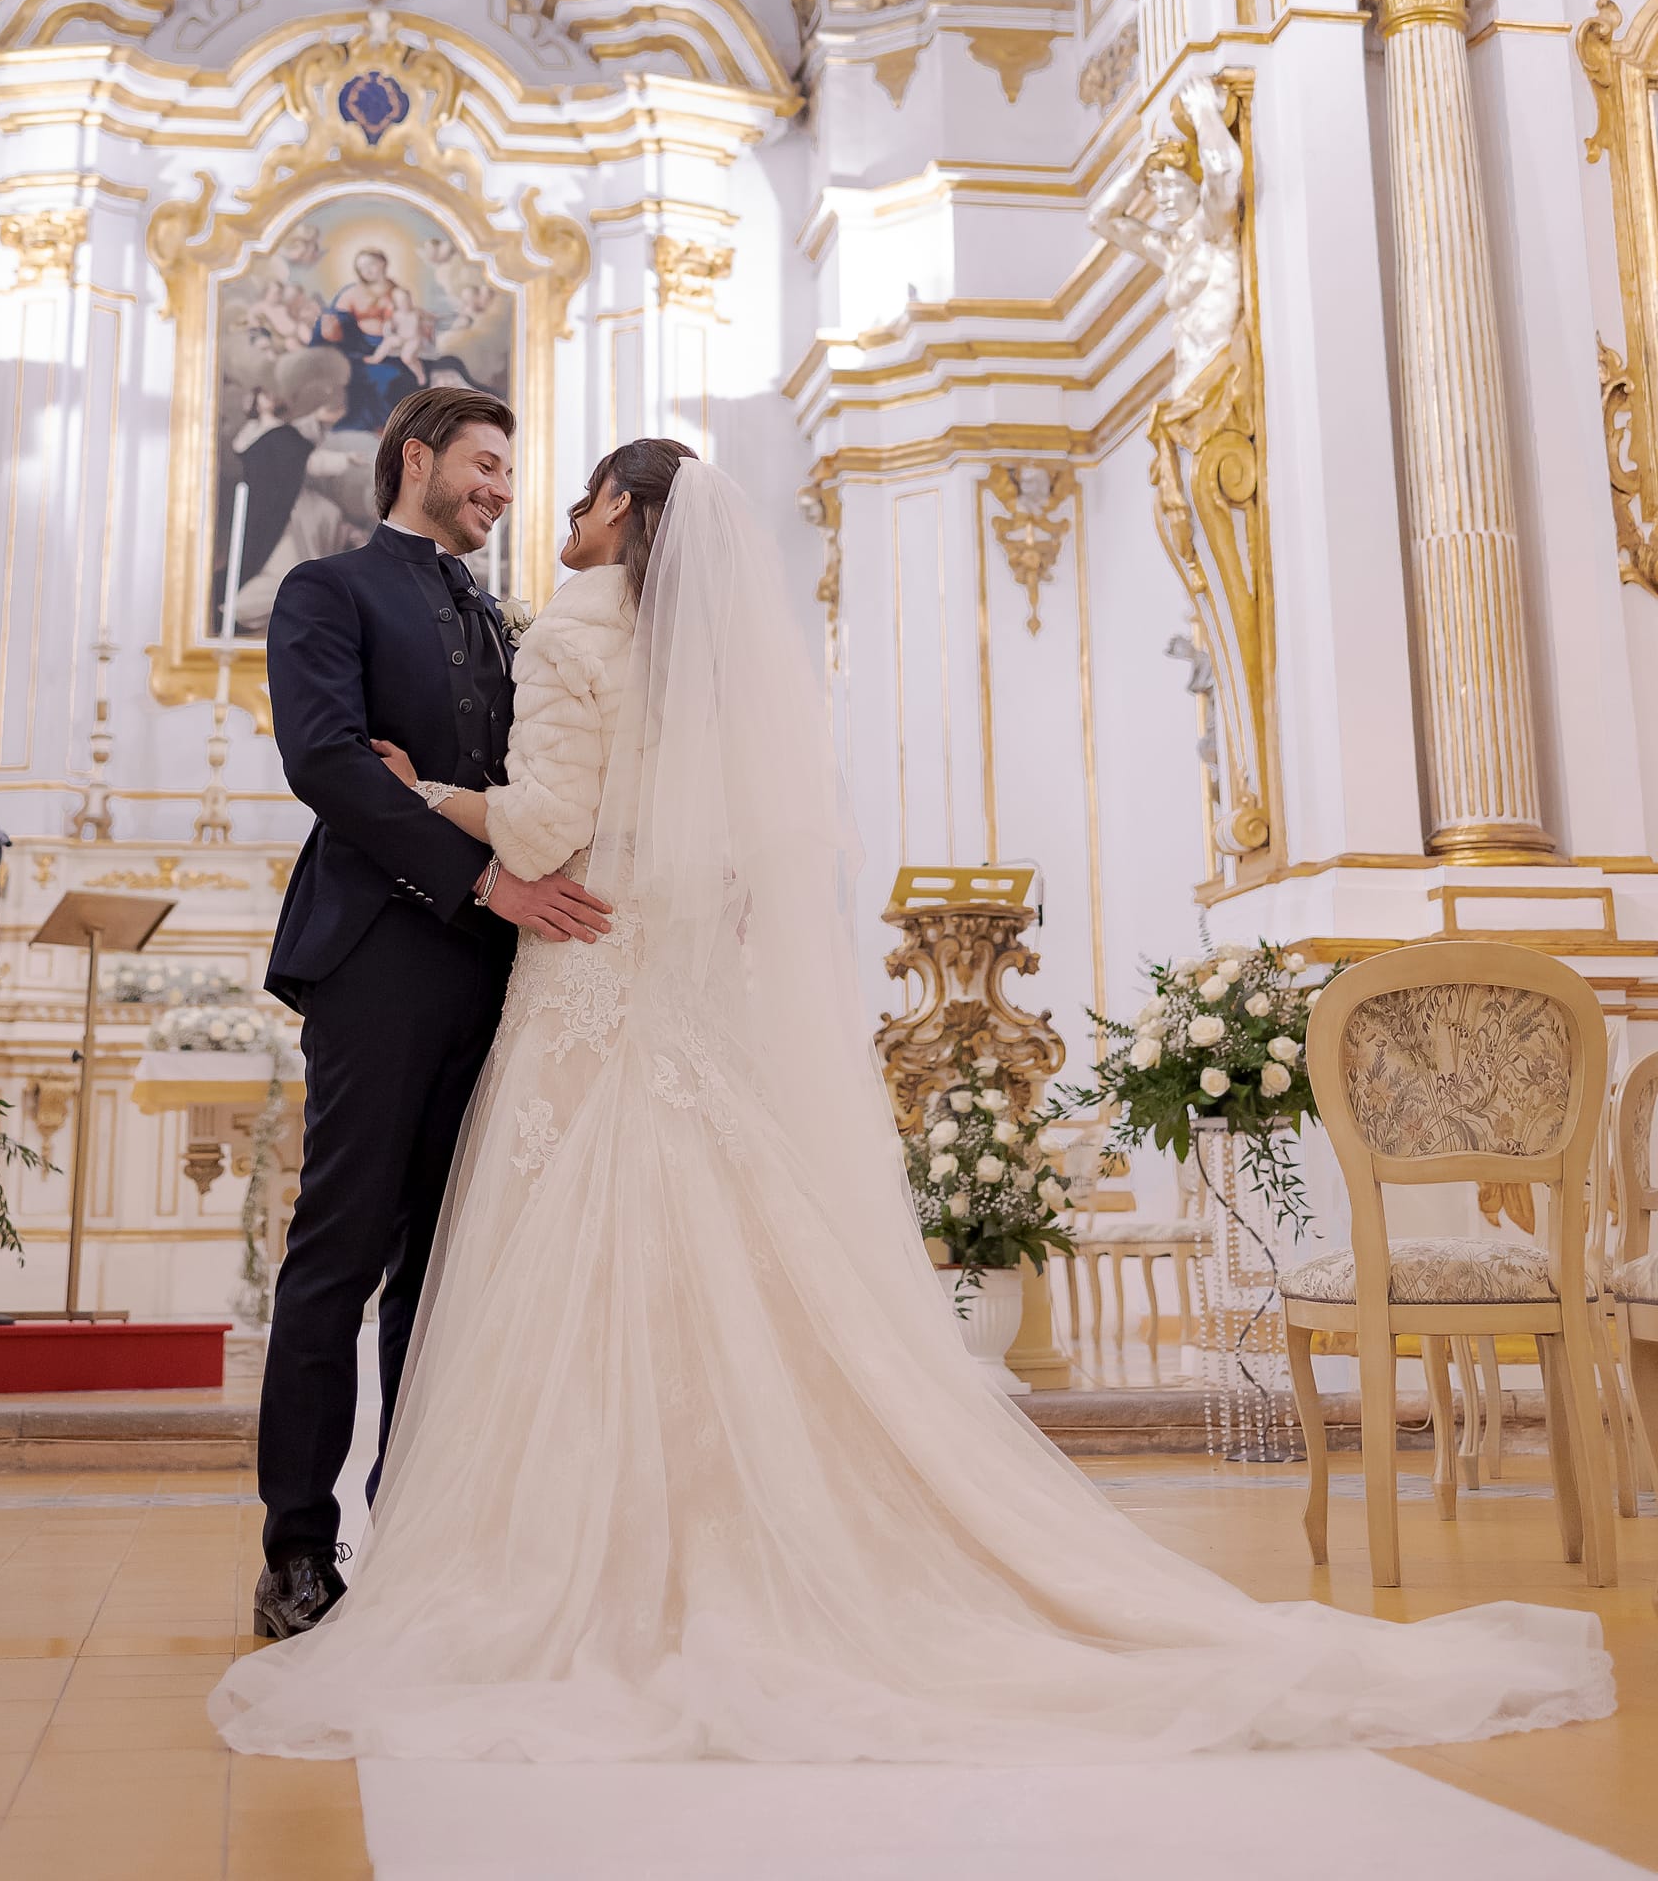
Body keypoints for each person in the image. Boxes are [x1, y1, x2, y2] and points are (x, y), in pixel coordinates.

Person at [214, 451, 1610, 1763]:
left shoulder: (574, 636)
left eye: (575, 497)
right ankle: (744, 1537)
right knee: (716, 1259)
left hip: (585, 980)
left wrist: (441, 793)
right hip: (672, 982)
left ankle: (535, 1556)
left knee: (565, 1260)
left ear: (624, 522)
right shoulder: (700, 673)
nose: (551, 517)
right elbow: (738, 857)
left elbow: (538, 830)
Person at [248, 387, 609, 1644]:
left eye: (512, 471)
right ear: (417, 459)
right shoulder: (326, 593)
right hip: (377, 954)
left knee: (448, 1265)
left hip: (498, 968)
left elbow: (534, 780)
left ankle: (417, 1528)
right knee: (339, 1252)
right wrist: (480, 874)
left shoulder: (506, 621)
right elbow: (327, 760)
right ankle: (297, 1545)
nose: (503, 490)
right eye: (485, 465)